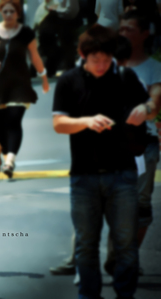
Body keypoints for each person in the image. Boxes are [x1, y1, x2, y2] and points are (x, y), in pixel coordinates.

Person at [52, 24, 150, 299]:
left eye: (107, 59)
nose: (101, 65)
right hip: (84, 176)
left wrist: (146, 108)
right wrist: (85, 121)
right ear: (83, 54)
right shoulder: (69, 81)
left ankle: (125, 295)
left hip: (123, 174)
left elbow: (149, 108)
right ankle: (89, 295)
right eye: (95, 59)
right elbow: (59, 124)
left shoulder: (125, 77)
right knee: (86, 244)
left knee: (126, 245)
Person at [103, 10, 161, 276]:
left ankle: (129, 256)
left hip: (143, 144)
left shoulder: (153, 68)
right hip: (112, 143)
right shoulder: (107, 65)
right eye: (121, 29)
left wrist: (147, 107)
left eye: (130, 29)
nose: (123, 32)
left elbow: (154, 102)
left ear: (145, 34)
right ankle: (118, 255)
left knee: (140, 204)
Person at [0, 0, 50, 178]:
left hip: (19, 85)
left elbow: (35, 56)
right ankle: (5, 154)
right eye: (5, 11)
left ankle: (10, 159)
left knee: (15, 120)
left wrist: (44, 77)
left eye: (12, 12)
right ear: (1, 12)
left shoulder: (25, 32)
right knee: (1, 124)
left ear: (17, 13)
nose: (8, 15)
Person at [37, 0, 81, 77]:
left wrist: (56, 9)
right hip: (53, 30)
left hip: (64, 26)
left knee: (65, 48)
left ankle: (66, 68)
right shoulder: (46, 8)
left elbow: (71, 11)